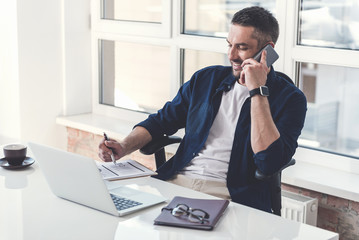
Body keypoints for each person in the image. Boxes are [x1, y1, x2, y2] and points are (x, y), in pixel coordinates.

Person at [98, 6, 307, 213]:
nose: (231, 55)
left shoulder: (290, 99)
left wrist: (258, 91)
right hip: (173, 181)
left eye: (242, 47)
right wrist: (124, 146)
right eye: (229, 45)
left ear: (267, 51)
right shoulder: (206, 79)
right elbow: (160, 121)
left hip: (230, 195)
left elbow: (269, 162)